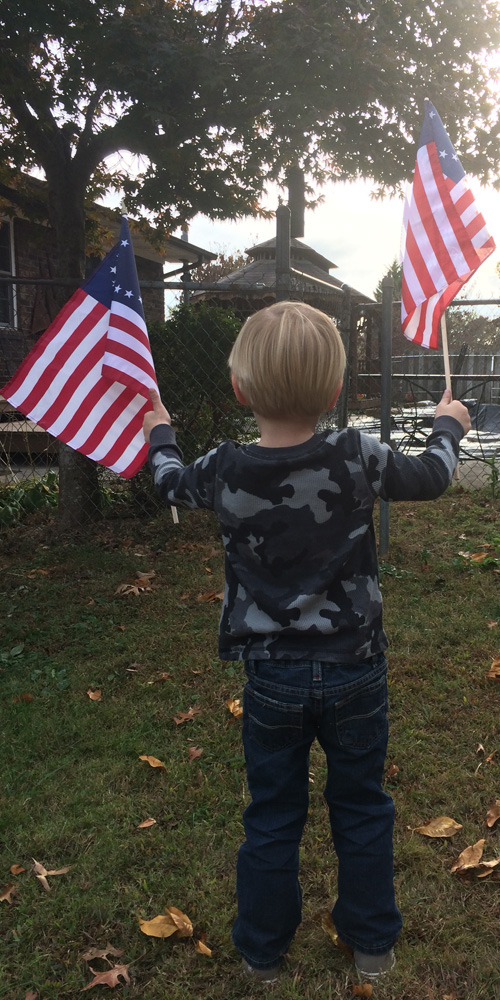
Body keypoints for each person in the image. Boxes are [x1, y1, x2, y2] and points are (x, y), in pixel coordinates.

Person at [143, 301, 470, 982]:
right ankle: (372, 946)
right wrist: (447, 427)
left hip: (269, 681)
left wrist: (162, 433)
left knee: (272, 815)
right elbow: (434, 478)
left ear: (238, 388)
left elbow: (169, 483)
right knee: (360, 807)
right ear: (333, 392)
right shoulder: (359, 454)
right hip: (355, 671)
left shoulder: (224, 468)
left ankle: (262, 953)